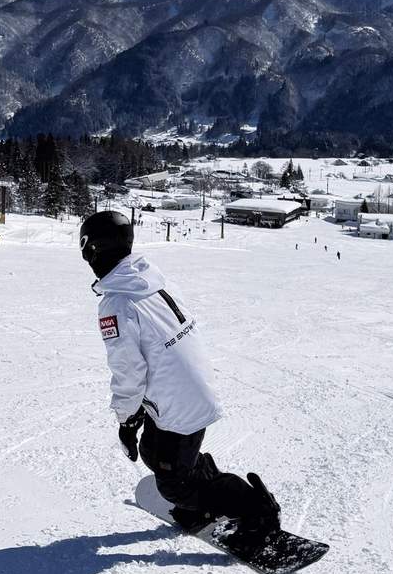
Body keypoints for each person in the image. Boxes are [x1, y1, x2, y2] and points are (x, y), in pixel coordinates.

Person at [78, 211, 282, 553]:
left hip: (179, 402)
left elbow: (128, 370)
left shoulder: (117, 302)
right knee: (153, 452)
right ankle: (204, 488)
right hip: (189, 389)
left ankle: (255, 512)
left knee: (173, 485)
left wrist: (127, 419)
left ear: (94, 249)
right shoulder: (151, 280)